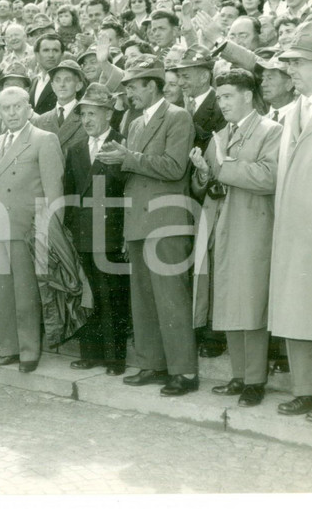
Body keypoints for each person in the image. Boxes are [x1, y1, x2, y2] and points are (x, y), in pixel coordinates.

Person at [97, 54, 198, 396]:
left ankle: (183, 371)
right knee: (143, 300)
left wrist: (128, 158)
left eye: (134, 86)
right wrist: (117, 160)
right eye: (126, 87)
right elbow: (135, 174)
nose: (129, 93)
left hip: (167, 221)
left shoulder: (178, 117)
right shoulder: (136, 123)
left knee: (172, 299)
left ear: (153, 86)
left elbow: (173, 167)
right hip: (140, 222)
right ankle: (152, 364)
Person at [190, 69, 282, 407]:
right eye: (219, 97)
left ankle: (255, 380)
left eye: (228, 96)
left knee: (251, 303)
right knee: (228, 300)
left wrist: (221, 167)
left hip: (253, 227)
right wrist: (204, 173)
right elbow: (212, 185)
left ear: (247, 95)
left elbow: (268, 177)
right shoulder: (220, 134)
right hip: (222, 225)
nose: (222, 103)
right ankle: (239, 374)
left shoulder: (271, 130)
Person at [0, 86, 64, 373]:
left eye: (17, 107)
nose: (12, 113)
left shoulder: (44, 139)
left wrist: (49, 235)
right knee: (2, 294)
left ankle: (29, 350)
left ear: (29, 108)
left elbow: (54, 192)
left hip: (26, 229)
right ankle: (9, 348)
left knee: (26, 295)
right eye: (6, 108)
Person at [268, 20, 312, 423]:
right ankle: (305, 391)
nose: (291, 70)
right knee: (296, 311)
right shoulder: (293, 111)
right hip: (291, 228)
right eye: (289, 62)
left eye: (299, 62)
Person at [64, 83, 129, 375]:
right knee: (88, 295)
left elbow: (129, 190)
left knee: (111, 296)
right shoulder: (77, 148)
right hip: (83, 235)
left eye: (93, 113)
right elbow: (70, 193)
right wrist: (71, 230)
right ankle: (91, 354)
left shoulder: (121, 143)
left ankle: (115, 359)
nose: (88, 120)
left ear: (108, 114)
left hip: (112, 234)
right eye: (84, 114)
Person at [34, 59, 87, 156]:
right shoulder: (41, 120)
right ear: (53, 87)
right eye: (58, 80)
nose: (62, 85)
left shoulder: (86, 117)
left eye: (68, 80)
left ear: (78, 86)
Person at [30, 33, 65, 114]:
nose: (51, 55)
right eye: (46, 50)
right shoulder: (34, 81)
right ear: (37, 54)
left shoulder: (68, 81)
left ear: (62, 54)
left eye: (55, 50)